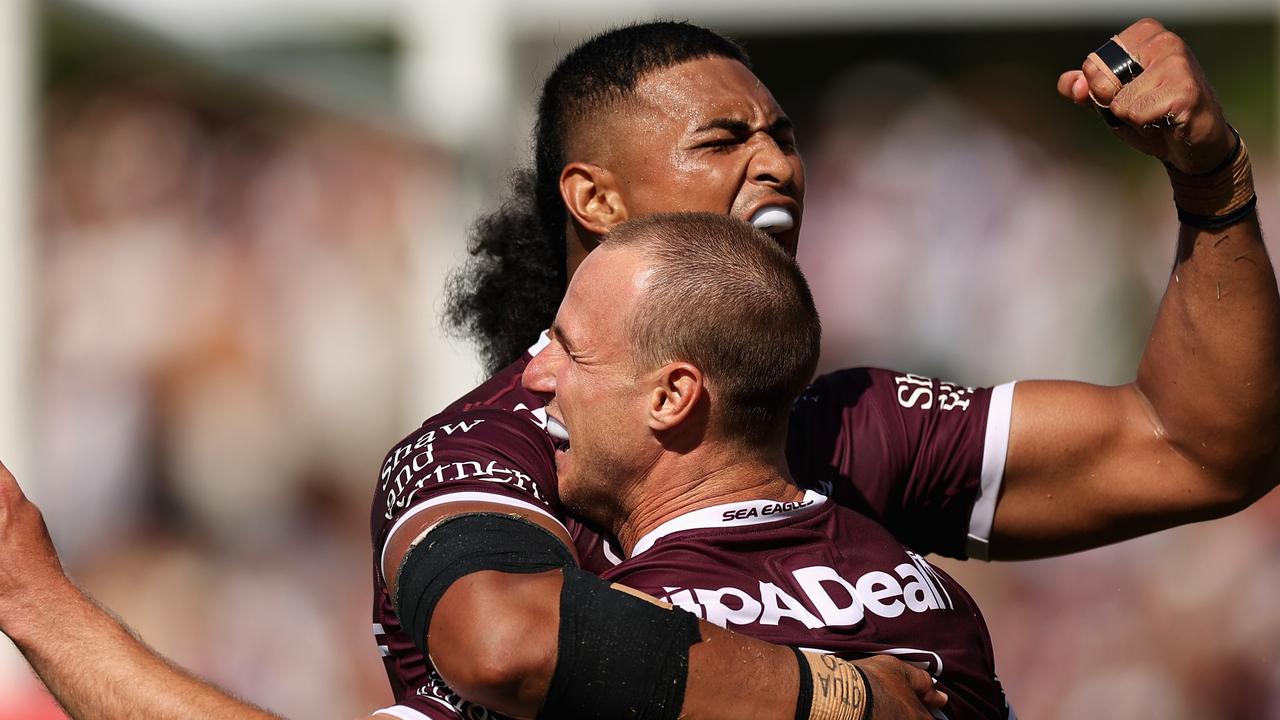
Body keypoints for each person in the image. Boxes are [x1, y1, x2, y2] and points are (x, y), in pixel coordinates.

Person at [0, 14, 1273, 720]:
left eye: (783, 134)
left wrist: (1210, 184)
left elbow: (1198, 445)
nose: (778, 163)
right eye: (724, 140)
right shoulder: (496, 447)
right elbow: (508, 642)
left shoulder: (845, 424)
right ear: (594, 197)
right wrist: (832, 703)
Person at [521, 211, 1013, 719]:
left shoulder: (627, 640)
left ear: (671, 397)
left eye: (570, 352)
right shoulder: (939, 602)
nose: (535, 376)